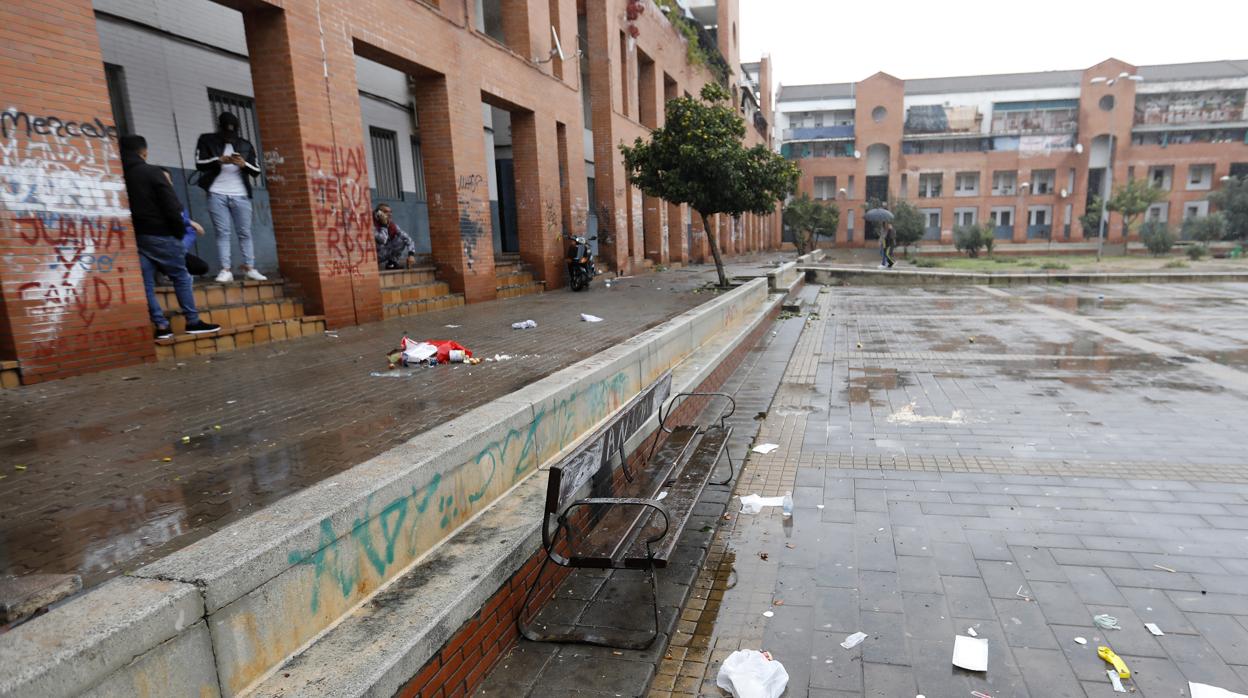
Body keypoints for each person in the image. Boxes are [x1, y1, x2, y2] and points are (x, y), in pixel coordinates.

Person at [120, 135, 220, 340]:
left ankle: (161, 325)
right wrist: (177, 232)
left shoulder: (120, 174)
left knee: (146, 282)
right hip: (161, 234)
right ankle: (193, 321)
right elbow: (171, 206)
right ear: (144, 152)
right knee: (181, 276)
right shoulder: (152, 173)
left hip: (136, 236)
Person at [195, 111, 266, 283]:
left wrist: (244, 164)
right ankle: (226, 270)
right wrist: (218, 160)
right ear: (219, 128)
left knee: (245, 232)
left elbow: (256, 171)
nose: (229, 137)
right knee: (222, 232)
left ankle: (249, 268)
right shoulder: (207, 140)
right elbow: (199, 164)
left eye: (232, 133)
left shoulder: (245, 145)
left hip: (240, 194)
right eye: (226, 133)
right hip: (217, 193)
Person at [373, 204, 416, 269]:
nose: (389, 214)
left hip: (384, 253)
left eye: (390, 212)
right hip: (374, 257)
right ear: (378, 213)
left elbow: (408, 239)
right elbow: (382, 239)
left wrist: (411, 255)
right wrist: (384, 225)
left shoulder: (392, 225)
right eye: (386, 212)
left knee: (401, 240)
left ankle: (391, 264)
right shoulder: (372, 225)